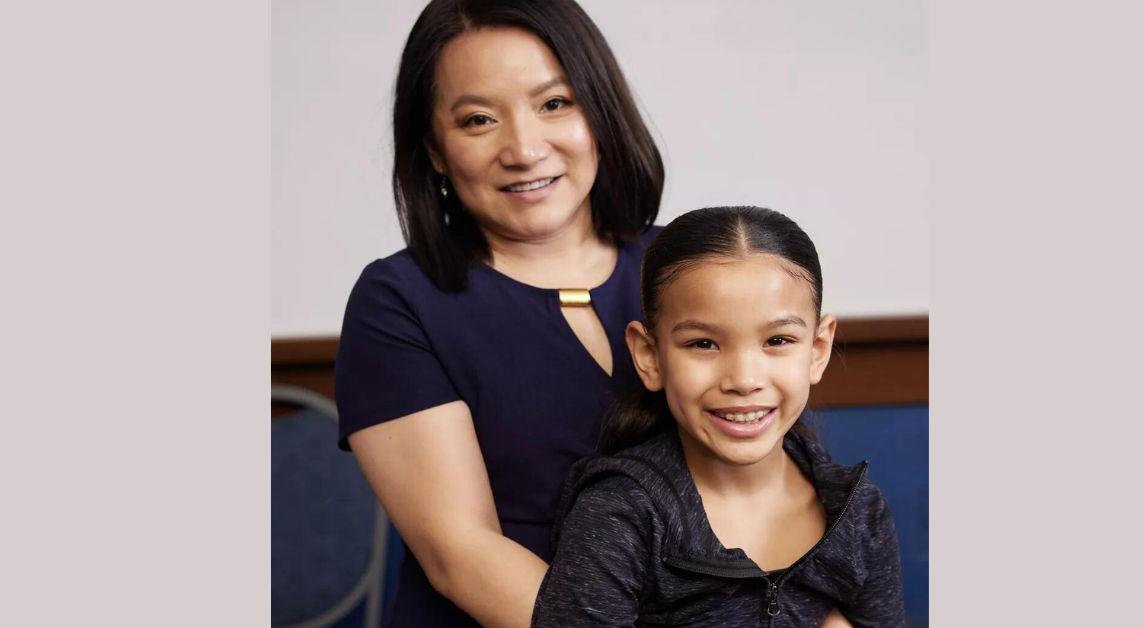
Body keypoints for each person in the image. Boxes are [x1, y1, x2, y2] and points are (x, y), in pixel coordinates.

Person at [333, 0, 664, 626]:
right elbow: (462, 555)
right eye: (479, 119)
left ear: (599, 112)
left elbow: (779, 490)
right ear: (434, 148)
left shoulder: (691, 268)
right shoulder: (397, 301)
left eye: (554, 104)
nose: (523, 148)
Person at [533, 207, 906, 626]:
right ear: (649, 356)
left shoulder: (860, 514)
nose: (744, 380)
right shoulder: (620, 514)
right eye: (704, 344)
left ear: (817, 351)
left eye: (778, 340)